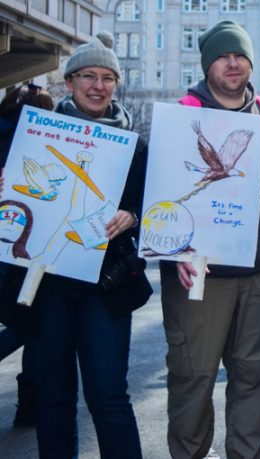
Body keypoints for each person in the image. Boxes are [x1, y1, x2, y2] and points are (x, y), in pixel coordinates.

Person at [160, 20, 260, 458]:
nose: (233, 63)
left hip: (259, 274)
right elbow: (159, 195)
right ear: (207, 65)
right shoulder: (182, 113)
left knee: (256, 377)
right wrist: (173, 251)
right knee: (193, 378)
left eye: (239, 55)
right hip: (198, 274)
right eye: (222, 55)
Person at [25, 32, 149, 457]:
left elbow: (153, 205)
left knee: (109, 394)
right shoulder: (36, 135)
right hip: (48, 280)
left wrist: (133, 215)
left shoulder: (135, 145)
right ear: (69, 82)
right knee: (54, 394)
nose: (99, 86)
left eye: (108, 78)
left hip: (106, 283)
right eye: (88, 76)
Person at [0, 83, 54, 428]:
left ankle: (30, 404)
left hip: (8, 245)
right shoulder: (38, 140)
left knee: (26, 323)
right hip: (26, 249)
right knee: (31, 325)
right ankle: (29, 404)